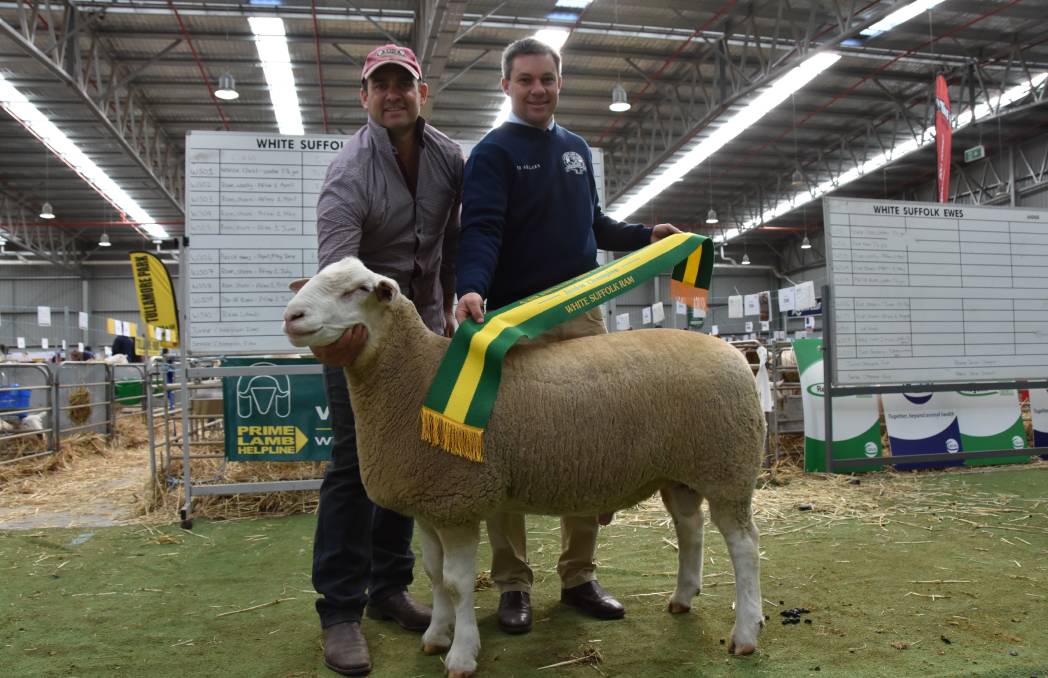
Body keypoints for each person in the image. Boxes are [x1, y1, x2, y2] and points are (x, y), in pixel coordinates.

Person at [455, 37, 682, 636]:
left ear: (560, 83)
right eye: (525, 79)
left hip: (583, 317)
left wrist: (643, 235)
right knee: (507, 449)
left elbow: (593, 225)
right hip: (516, 321)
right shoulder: (493, 153)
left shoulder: (578, 150)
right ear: (505, 86)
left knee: (588, 441)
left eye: (547, 79)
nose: (537, 89)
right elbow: (480, 230)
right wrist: (472, 288)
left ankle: (579, 575)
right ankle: (512, 583)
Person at [307, 43, 464, 676]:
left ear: (422, 92)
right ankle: (339, 611)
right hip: (359, 335)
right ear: (364, 96)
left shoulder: (451, 157)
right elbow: (339, 267)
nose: (393, 93)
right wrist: (339, 343)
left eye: (405, 83)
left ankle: (390, 588)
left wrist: (456, 307)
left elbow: (454, 243)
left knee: (413, 459)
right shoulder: (349, 171)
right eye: (381, 85)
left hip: (423, 328)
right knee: (353, 463)